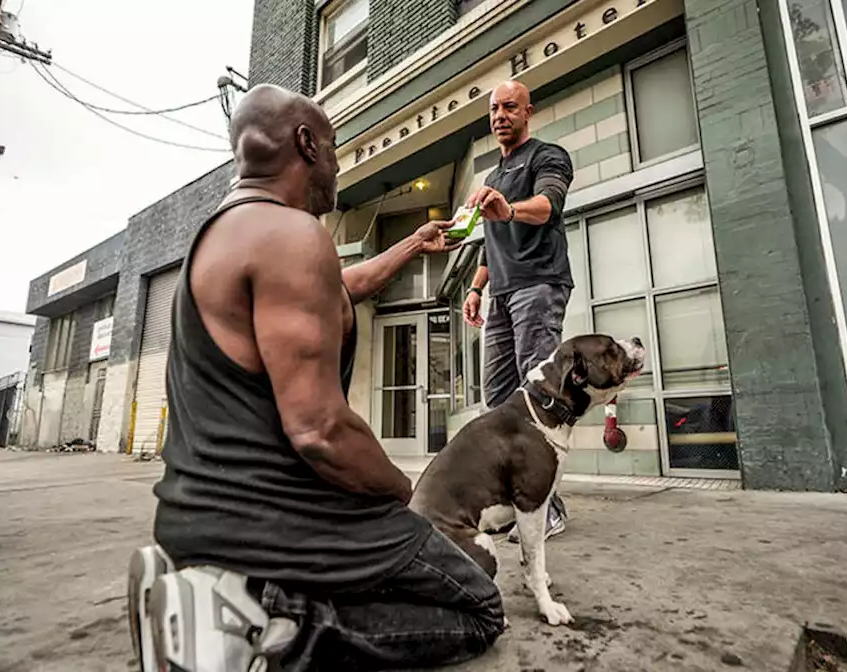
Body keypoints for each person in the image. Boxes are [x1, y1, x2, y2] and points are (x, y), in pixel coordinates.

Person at [150, 84, 505, 670]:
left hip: (198, 518)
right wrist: (402, 492)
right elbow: (320, 431)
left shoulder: (229, 231)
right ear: (307, 144)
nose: (339, 165)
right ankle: (258, 627)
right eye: (337, 149)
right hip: (278, 517)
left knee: (446, 565)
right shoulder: (293, 236)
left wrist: (414, 246)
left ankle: (229, 595)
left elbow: (341, 290)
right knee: (479, 605)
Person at [462, 80, 576, 542]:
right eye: (493, 109)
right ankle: (517, 499)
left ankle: (548, 506)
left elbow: (548, 206)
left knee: (539, 396)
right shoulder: (491, 178)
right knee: (498, 397)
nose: (499, 115)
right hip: (502, 294)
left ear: (528, 111)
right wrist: (474, 288)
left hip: (539, 285)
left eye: (510, 107)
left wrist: (508, 210)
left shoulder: (548, 156)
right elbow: (489, 243)